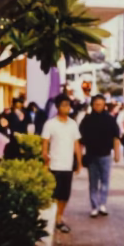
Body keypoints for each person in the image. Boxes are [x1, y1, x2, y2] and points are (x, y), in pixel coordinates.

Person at [42, 94, 83, 234]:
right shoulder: (50, 124)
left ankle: (59, 218)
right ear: (57, 107)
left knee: (65, 195)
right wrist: (45, 159)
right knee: (54, 194)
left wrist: (79, 162)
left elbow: (76, 144)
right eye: (63, 105)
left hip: (68, 165)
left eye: (68, 105)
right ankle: (53, 220)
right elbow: (45, 143)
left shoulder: (73, 124)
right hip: (54, 165)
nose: (66, 108)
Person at [79, 93, 122, 218]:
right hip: (91, 155)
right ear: (92, 105)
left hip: (106, 155)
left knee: (105, 181)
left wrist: (117, 154)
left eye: (101, 104)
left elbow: (116, 137)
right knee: (93, 182)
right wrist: (79, 156)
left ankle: (102, 204)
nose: (99, 106)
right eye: (96, 104)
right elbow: (80, 139)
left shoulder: (110, 119)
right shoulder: (87, 120)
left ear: (104, 105)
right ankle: (94, 206)